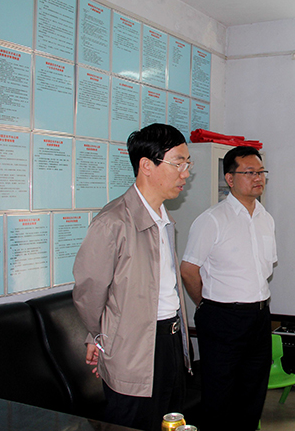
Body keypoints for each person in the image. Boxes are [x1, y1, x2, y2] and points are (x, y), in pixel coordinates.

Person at [73, 124, 193, 431]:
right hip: (135, 349)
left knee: (170, 422)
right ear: (146, 166)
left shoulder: (164, 218)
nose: (185, 174)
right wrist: (102, 338)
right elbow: (89, 293)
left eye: (187, 164)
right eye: (178, 163)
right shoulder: (113, 222)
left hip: (171, 340)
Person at [180, 145, 275, 431]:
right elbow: (188, 270)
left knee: (253, 392)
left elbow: (265, 269)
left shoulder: (266, 218)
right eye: (250, 172)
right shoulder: (212, 219)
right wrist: (206, 304)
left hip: (259, 317)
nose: (258, 178)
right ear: (230, 179)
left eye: (261, 172)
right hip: (222, 318)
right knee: (220, 396)